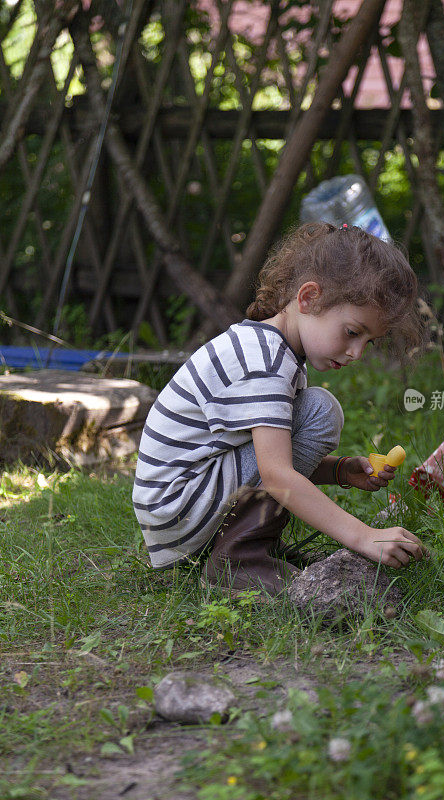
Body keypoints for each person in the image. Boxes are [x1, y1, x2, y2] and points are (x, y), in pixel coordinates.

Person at [133, 223, 428, 595]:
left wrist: (339, 470)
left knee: (317, 409)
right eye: (353, 332)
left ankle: (241, 546)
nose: (357, 353)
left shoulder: (272, 351)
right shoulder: (266, 362)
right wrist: (364, 536)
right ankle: (238, 559)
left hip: (180, 507)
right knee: (320, 412)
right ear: (308, 298)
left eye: (369, 341)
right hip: (180, 504)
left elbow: (263, 458)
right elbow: (275, 474)